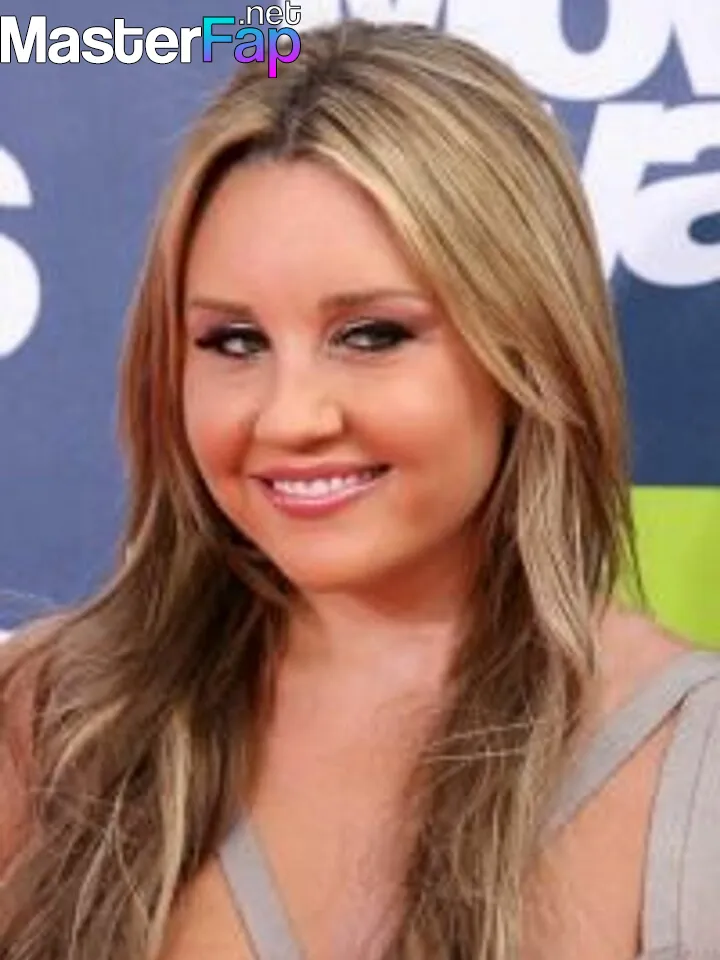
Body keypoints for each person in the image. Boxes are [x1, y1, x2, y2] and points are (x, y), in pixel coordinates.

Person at [1, 17, 718, 960]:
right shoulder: (45, 721)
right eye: (234, 342)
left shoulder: (691, 762)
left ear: (527, 346)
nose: (289, 415)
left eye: (372, 335)